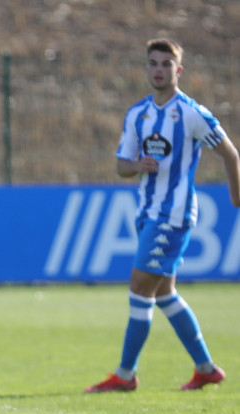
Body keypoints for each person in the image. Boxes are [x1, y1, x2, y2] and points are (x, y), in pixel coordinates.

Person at [86, 39, 240, 393]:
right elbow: (121, 166)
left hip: (173, 215)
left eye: (166, 64)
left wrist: (236, 196)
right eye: (153, 63)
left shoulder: (190, 113)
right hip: (146, 212)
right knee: (164, 291)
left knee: (140, 286)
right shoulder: (137, 114)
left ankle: (125, 375)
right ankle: (206, 368)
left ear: (178, 70)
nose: (159, 69)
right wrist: (138, 165)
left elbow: (230, 154)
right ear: (146, 69)